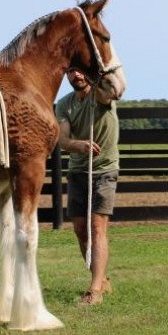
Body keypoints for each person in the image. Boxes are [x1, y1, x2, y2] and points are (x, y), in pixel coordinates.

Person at [55, 67, 120, 305]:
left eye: (80, 71)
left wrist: (102, 76)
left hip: (104, 170)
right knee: (81, 230)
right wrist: (78, 145)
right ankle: (102, 279)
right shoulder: (64, 105)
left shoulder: (99, 96)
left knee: (96, 226)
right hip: (78, 171)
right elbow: (63, 140)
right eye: (71, 72)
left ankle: (95, 291)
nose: (76, 76)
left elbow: (113, 91)